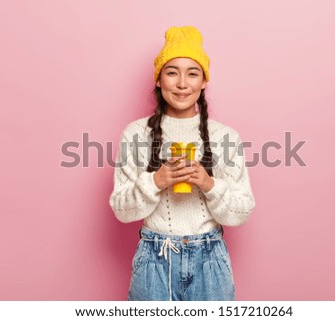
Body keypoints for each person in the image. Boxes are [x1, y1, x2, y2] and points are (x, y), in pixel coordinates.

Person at [109, 26, 255, 301]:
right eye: (172, 72)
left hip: (210, 261)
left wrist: (208, 183)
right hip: (154, 259)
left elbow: (243, 212)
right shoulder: (136, 134)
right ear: (158, 80)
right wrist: (156, 181)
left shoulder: (225, 137)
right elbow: (121, 210)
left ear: (203, 82)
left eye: (192, 73)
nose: (182, 83)